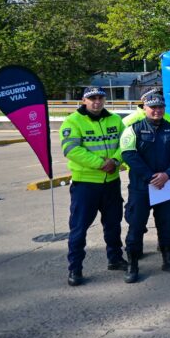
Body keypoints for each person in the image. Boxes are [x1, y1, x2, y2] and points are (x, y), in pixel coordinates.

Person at [61, 87, 126, 286]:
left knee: (113, 224)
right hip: (86, 184)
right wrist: (100, 164)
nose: (97, 101)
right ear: (84, 100)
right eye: (92, 98)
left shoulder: (115, 120)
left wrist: (115, 161)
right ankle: (75, 269)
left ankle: (115, 258)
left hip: (111, 182)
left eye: (100, 98)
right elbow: (71, 149)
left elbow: (126, 143)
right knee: (79, 228)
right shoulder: (73, 121)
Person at [120, 94, 170, 283]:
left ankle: (168, 260)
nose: (157, 110)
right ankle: (133, 265)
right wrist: (150, 177)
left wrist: (168, 174)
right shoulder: (133, 128)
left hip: (167, 185)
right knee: (136, 226)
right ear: (145, 108)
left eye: (160, 107)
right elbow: (128, 155)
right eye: (153, 107)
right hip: (142, 187)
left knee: (167, 224)